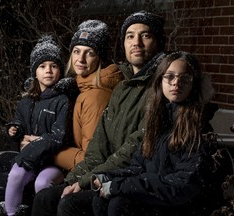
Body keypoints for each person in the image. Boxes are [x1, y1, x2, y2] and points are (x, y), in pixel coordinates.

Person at [31, 10, 166, 216]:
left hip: (129, 177)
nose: (136, 42)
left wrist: (84, 179)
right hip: (104, 171)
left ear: (158, 42)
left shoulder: (160, 88)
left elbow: (132, 150)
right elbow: (97, 148)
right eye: (130, 36)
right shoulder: (123, 87)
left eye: (145, 35)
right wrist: (72, 179)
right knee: (45, 197)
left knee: (68, 204)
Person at [91, 51, 221, 216]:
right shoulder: (158, 121)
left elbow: (181, 186)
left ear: (194, 84)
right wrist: (108, 177)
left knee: (120, 203)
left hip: (179, 205)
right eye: (170, 77)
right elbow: (137, 167)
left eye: (185, 78)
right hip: (156, 197)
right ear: (160, 81)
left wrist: (119, 186)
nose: (176, 83)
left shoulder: (198, 129)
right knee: (101, 198)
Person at [0, 35, 74, 216]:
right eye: (42, 66)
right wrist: (15, 130)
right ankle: (12, 212)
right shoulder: (26, 101)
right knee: (15, 175)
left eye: (54, 66)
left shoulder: (62, 101)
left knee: (42, 184)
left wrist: (34, 145)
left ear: (60, 70)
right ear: (34, 72)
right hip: (30, 160)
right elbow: (20, 123)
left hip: (53, 161)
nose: (48, 70)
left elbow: (57, 136)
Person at [54, 19, 123, 171]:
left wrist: (50, 153)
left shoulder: (95, 96)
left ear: (100, 58)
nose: (81, 59)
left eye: (90, 53)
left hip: (86, 175)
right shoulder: (80, 86)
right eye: (76, 51)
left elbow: (91, 160)